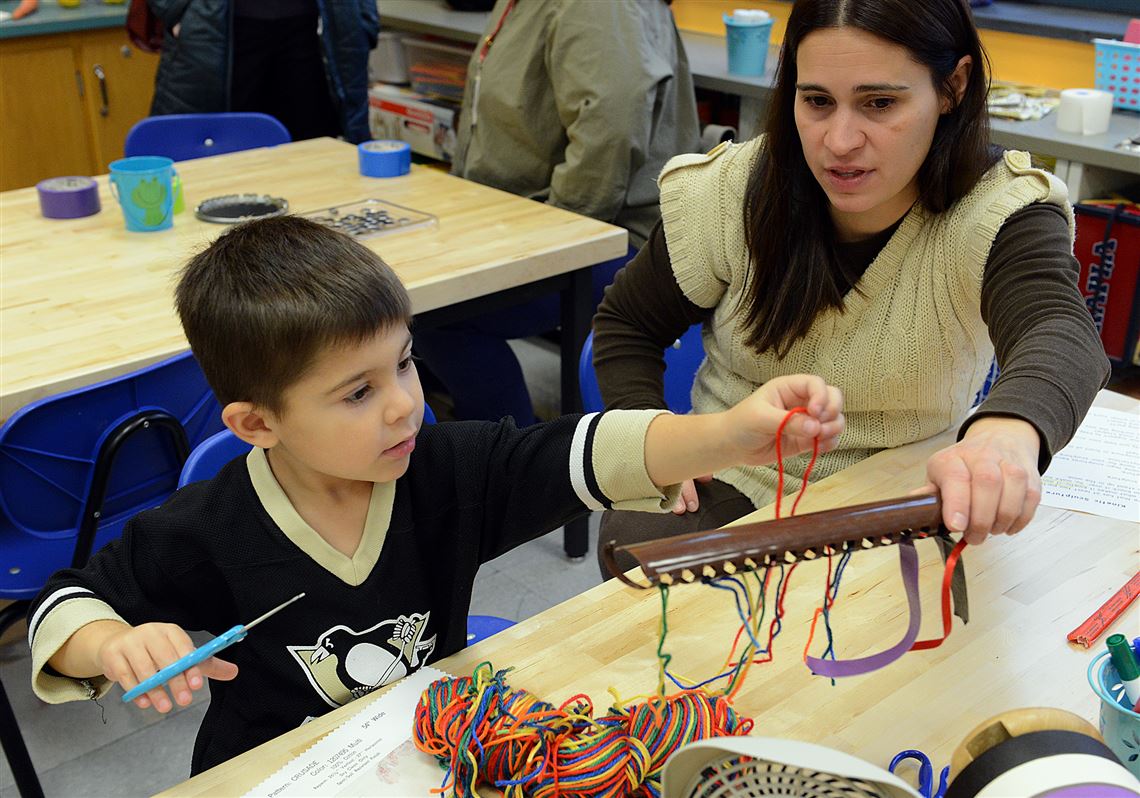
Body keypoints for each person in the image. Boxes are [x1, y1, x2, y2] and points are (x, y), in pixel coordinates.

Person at [26, 216, 843, 774]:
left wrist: (730, 434)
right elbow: (70, 601)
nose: (404, 404)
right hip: (279, 773)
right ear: (257, 423)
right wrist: (107, 644)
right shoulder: (209, 526)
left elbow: (583, 451)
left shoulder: (448, 468)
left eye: (406, 363)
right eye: (356, 392)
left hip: (434, 749)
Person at [593, 0, 1110, 577]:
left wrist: (1007, 433)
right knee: (648, 575)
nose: (840, 141)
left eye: (880, 103)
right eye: (816, 101)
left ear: (952, 87)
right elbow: (628, 324)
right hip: (731, 484)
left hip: (903, 497)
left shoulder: (1001, 211)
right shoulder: (729, 192)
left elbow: (1058, 331)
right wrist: (660, 441)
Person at [413, 0, 701, 425]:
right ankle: (464, 444)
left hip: (614, 238)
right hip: (522, 220)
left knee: (436, 313)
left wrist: (553, 236)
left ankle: (512, 469)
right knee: (408, 299)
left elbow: (608, 131)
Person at [147, 0, 378, 143]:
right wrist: (176, 10)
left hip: (316, 31)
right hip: (215, 31)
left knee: (314, 158)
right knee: (221, 155)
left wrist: (363, 15)